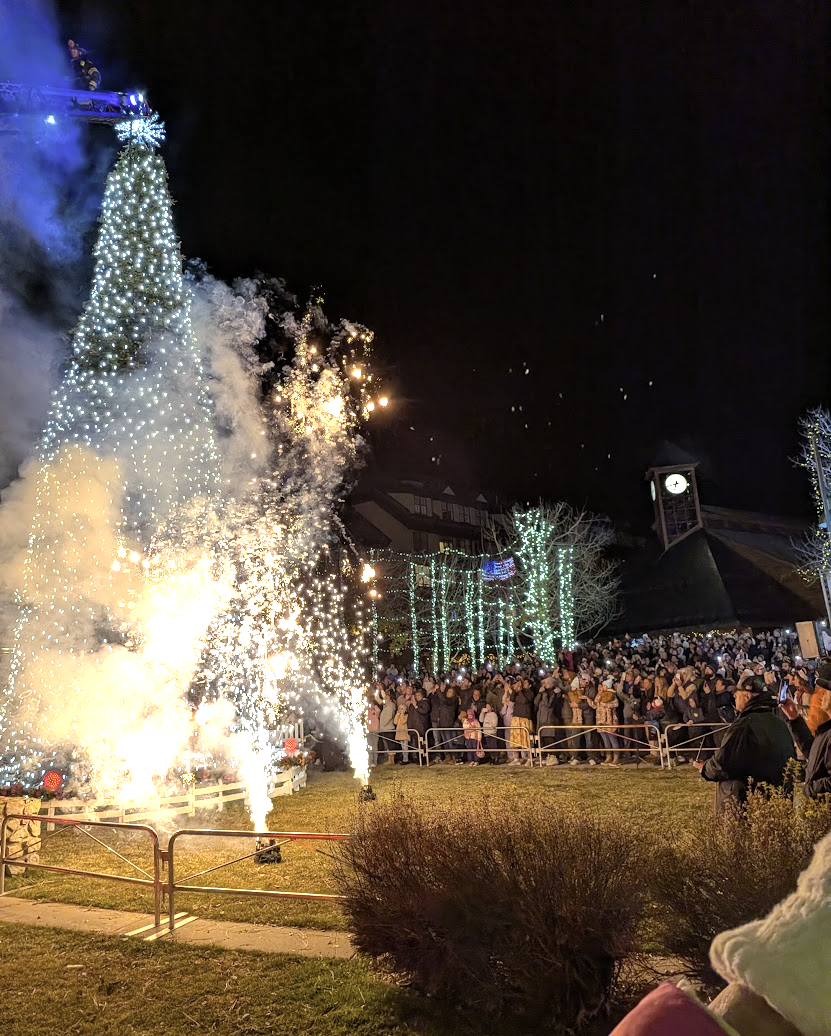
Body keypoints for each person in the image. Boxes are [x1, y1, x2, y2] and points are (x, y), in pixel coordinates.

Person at [694, 676, 796, 813]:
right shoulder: (779, 724)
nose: (735, 698)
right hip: (777, 801)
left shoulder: (743, 725)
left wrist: (705, 768)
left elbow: (723, 762)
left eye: (737, 695)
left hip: (747, 803)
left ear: (747, 696)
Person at [779, 662, 831, 799]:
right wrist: (794, 718)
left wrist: (810, 788)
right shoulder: (826, 729)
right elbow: (813, 753)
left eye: (824, 689)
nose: (820, 694)